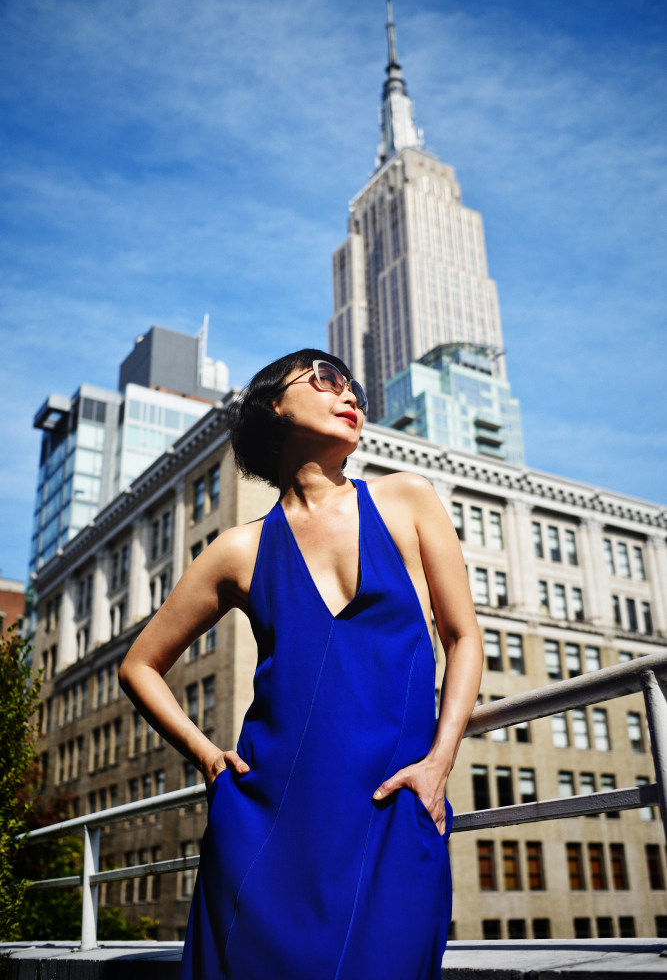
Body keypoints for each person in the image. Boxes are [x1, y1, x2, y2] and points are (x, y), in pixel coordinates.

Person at [119, 348, 483, 980]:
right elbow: (139, 666)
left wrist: (438, 763)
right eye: (324, 378)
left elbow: (463, 637)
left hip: (396, 804)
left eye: (353, 386)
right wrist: (208, 756)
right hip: (266, 823)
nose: (350, 394)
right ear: (274, 405)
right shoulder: (239, 549)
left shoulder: (407, 500)